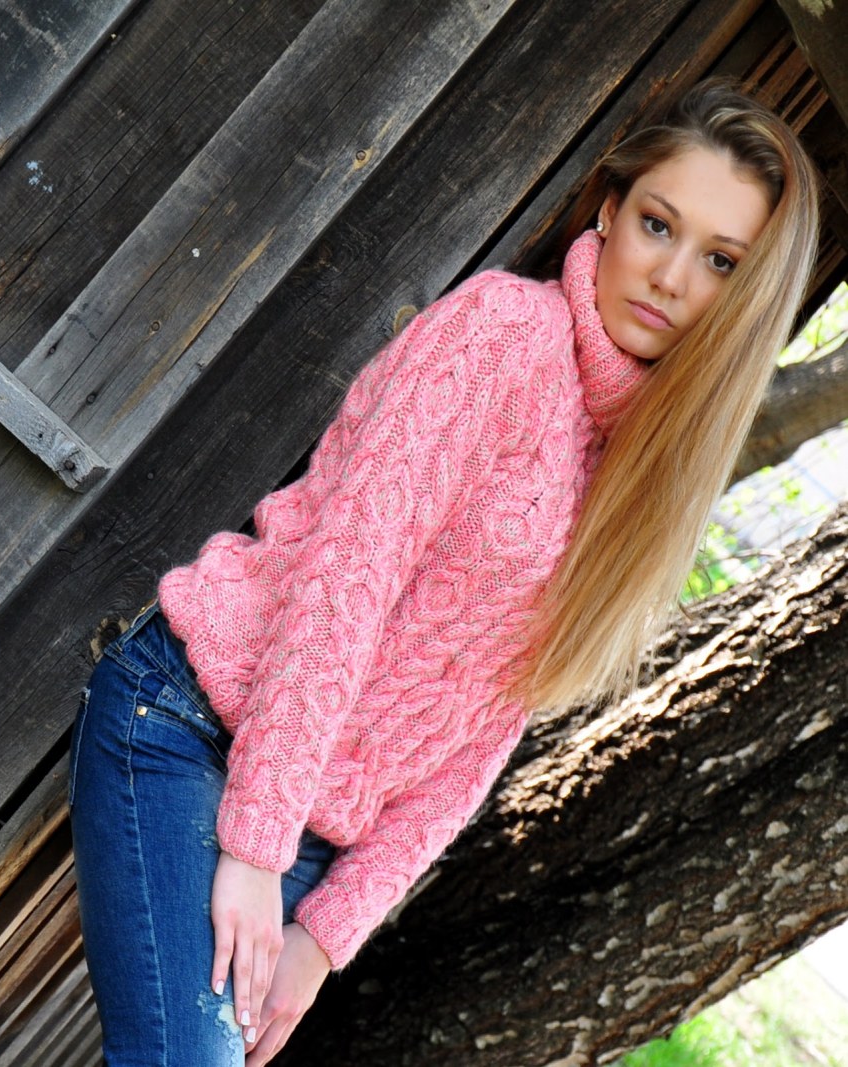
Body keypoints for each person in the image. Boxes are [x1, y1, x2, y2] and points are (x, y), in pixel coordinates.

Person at [68, 78, 819, 1066]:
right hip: (193, 725)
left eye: (720, 261)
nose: (671, 276)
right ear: (609, 208)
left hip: (309, 826)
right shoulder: (502, 334)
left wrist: (326, 933)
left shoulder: (642, 477)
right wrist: (254, 843)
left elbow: (479, 731)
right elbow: (346, 579)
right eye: (657, 223)